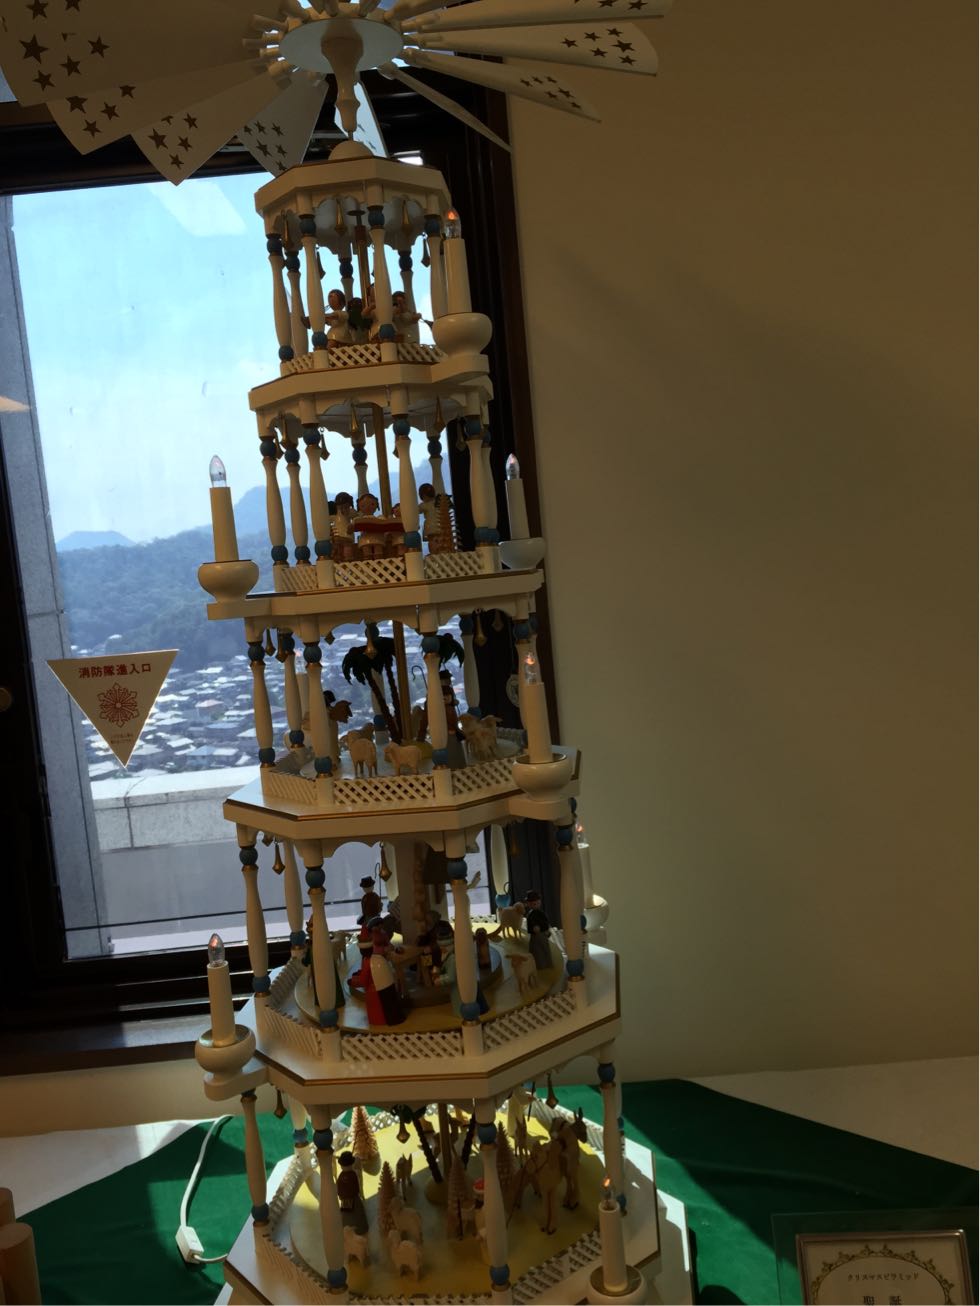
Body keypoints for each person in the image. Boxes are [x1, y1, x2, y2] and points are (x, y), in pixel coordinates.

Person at [523, 890, 552, 971]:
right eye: (533, 903)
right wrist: (533, 928)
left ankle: (547, 964)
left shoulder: (541, 913)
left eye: (537, 903)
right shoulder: (530, 915)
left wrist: (547, 929)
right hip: (535, 936)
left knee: (545, 948)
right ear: (529, 904)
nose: (536, 905)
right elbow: (530, 924)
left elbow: (546, 922)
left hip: (542, 934)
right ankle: (539, 965)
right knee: (536, 951)